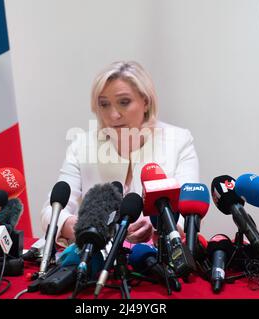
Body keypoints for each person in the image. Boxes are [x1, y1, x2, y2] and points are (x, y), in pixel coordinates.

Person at [40, 61, 200, 248]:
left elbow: (190, 211)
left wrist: (160, 225)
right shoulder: (82, 145)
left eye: (124, 102)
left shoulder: (179, 141)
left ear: (146, 102)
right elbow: (51, 212)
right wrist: (78, 226)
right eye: (104, 104)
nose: (113, 114)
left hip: (155, 260)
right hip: (96, 259)